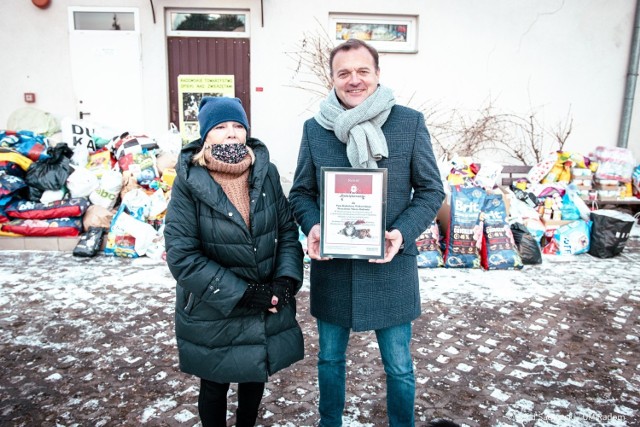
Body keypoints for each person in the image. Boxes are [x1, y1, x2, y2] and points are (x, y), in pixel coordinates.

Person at [288, 39, 446, 427]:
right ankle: (330, 422)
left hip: (390, 265)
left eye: (362, 71)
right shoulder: (315, 129)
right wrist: (313, 226)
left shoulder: (408, 123)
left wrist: (402, 233)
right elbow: (301, 193)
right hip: (334, 266)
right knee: (328, 359)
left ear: (377, 75)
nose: (353, 80)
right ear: (333, 78)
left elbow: (430, 191)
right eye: (344, 73)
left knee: (399, 365)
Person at [164, 96, 304, 427]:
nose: (231, 133)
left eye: (238, 126)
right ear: (206, 136)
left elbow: (286, 231)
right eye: (221, 126)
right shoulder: (189, 181)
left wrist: (285, 280)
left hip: (264, 300)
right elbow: (182, 255)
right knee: (214, 384)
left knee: (254, 376)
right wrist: (243, 293)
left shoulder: (265, 173)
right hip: (214, 306)